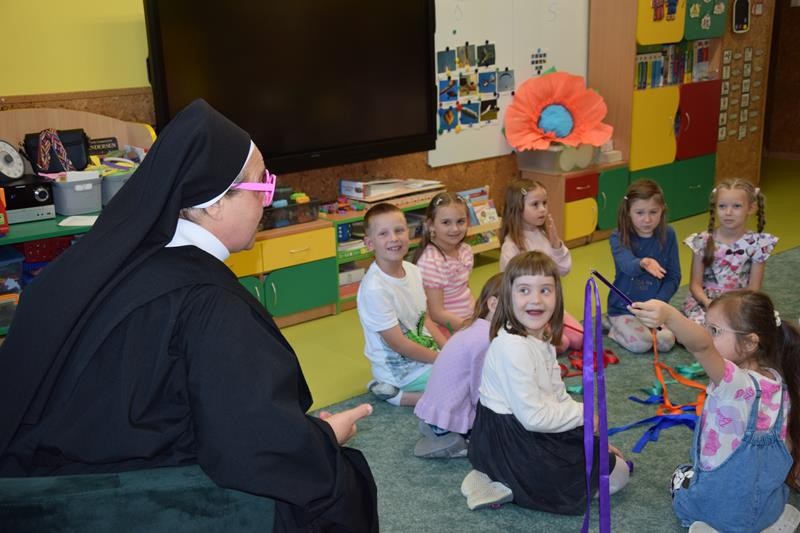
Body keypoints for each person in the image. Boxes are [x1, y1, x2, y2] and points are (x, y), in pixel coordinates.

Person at [0, 100, 378, 533]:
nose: (269, 200)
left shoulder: (116, 262)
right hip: (103, 495)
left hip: (38, 466)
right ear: (215, 204)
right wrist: (324, 438)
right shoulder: (209, 304)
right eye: (262, 185)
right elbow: (254, 445)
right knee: (338, 483)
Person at [463, 252, 629, 513]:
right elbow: (533, 418)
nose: (536, 299)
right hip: (512, 438)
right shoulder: (513, 347)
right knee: (616, 476)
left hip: (527, 425)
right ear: (508, 297)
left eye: (545, 290)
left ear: (557, 296)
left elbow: (555, 393)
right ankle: (503, 480)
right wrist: (584, 415)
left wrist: (584, 434)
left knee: (610, 466)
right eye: (524, 290)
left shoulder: (540, 335)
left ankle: (501, 477)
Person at [631, 291, 800, 532]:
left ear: (750, 343)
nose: (707, 335)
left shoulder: (735, 383)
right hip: (767, 509)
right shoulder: (780, 380)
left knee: (681, 475)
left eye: (714, 331)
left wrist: (669, 315)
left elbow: (701, 346)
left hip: (722, 511)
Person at [356, 203, 448, 407]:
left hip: (424, 356)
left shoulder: (413, 270)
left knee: (473, 368)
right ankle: (399, 396)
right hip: (402, 371)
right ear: (370, 243)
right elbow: (398, 344)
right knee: (463, 386)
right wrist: (441, 360)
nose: (394, 238)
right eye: (383, 233)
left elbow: (424, 319)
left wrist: (448, 351)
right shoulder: (375, 288)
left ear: (409, 232)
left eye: (399, 230)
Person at [413, 273, 503, 459]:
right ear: (493, 305)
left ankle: (439, 426)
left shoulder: (476, 327)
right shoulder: (485, 340)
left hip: (438, 407)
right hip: (451, 409)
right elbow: (481, 391)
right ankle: (449, 435)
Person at [499, 178, 583, 352]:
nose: (543, 209)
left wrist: (555, 243)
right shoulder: (511, 246)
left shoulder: (544, 235)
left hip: (551, 308)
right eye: (535, 204)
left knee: (580, 338)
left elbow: (564, 270)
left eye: (544, 203)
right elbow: (510, 291)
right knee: (563, 343)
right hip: (529, 313)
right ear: (517, 208)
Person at [683, 178, 777, 324]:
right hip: (706, 303)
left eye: (736, 206)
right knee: (704, 327)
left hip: (739, 303)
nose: (728, 212)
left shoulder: (758, 244)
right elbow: (695, 284)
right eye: (722, 206)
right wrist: (708, 303)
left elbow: (754, 288)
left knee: (765, 325)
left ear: (751, 208)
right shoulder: (702, 241)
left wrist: (730, 306)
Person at [607, 179, 680, 353]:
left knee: (667, 342)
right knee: (641, 344)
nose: (647, 219)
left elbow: (673, 276)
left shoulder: (668, 234)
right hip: (624, 309)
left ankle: (632, 328)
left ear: (662, 210)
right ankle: (613, 329)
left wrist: (658, 303)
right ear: (628, 212)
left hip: (653, 308)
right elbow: (627, 265)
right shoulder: (618, 236)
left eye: (653, 212)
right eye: (639, 212)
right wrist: (643, 263)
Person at [412, 191, 475, 334]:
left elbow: (464, 291)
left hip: (467, 320)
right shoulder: (431, 262)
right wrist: (470, 328)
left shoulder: (465, 250)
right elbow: (437, 313)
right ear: (431, 225)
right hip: (445, 328)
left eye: (460, 221)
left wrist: (478, 316)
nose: (455, 229)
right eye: (446, 222)